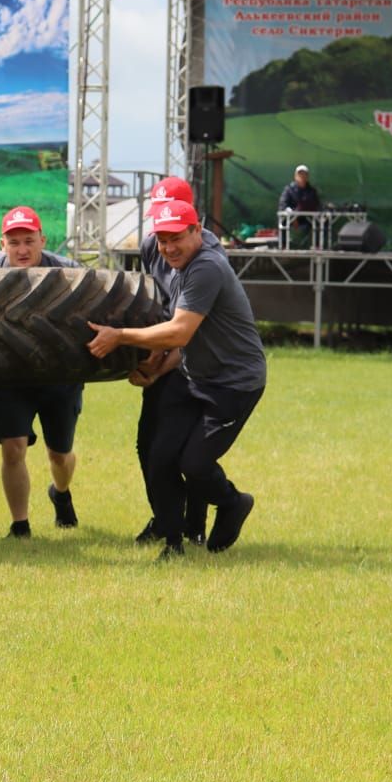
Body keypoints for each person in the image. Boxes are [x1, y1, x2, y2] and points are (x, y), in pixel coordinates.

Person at [87, 199, 267, 559]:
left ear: (196, 231)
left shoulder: (207, 267)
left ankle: (233, 503)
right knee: (160, 455)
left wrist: (119, 336)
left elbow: (179, 332)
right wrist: (155, 369)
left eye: (176, 238)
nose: (168, 248)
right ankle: (173, 543)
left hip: (235, 384)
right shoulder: (178, 264)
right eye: (162, 240)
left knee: (195, 465)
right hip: (193, 376)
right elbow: (181, 337)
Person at [131, 176, 225, 548]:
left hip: (199, 361)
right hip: (170, 348)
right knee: (147, 443)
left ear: (192, 217)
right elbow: (161, 306)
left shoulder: (209, 258)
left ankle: (195, 524)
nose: (164, 238)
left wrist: (159, 367)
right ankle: (164, 516)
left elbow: (192, 330)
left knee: (181, 449)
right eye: (157, 218)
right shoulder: (152, 245)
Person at [0, 206, 82, 538]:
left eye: (28, 241)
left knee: (60, 454)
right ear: (2, 244)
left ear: (43, 240)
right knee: (12, 446)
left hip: (60, 376)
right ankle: (20, 524)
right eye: (14, 242)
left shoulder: (71, 274)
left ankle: (60, 492)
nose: (22, 250)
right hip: (10, 376)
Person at [278, 164, 321, 248]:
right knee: (283, 221)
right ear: (295, 176)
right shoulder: (289, 189)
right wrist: (293, 217)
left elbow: (317, 205)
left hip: (308, 218)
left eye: (304, 174)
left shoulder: (312, 191)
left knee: (321, 222)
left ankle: (317, 246)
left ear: (307, 176)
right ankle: (283, 246)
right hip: (292, 217)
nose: (302, 176)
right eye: (300, 174)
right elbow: (283, 204)